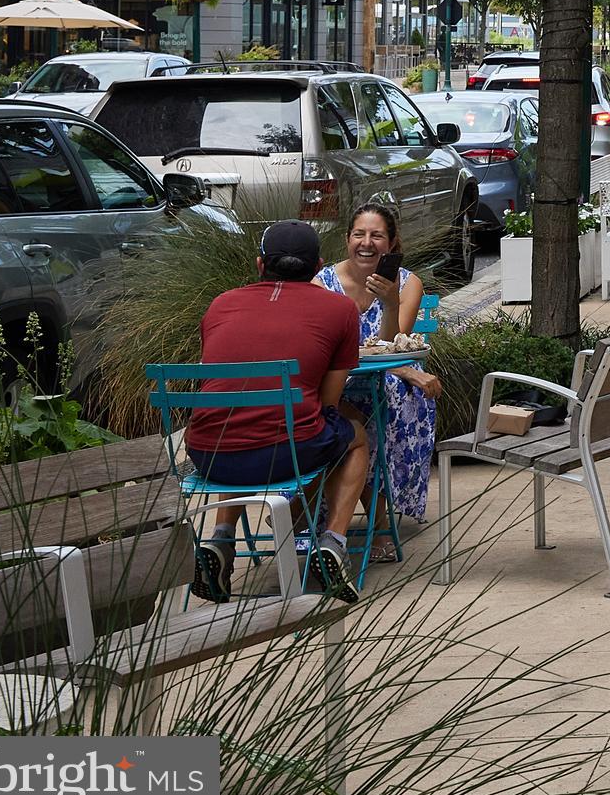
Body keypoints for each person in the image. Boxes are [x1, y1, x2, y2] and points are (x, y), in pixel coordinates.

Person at [185, 220, 369, 604]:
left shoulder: (221, 303)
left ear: (259, 264)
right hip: (286, 455)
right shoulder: (339, 309)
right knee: (356, 437)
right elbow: (329, 403)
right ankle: (332, 543)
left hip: (208, 455)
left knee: (238, 424)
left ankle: (221, 541)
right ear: (318, 267)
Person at [314, 204, 442, 561]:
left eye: (377, 236)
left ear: (392, 243)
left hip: (386, 380)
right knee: (357, 407)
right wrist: (408, 370)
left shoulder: (407, 283)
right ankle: (318, 517)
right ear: (347, 239)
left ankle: (377, 522)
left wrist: (389, 304)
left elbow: (392, 347)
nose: (366, 243)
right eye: (359, 234)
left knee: (386, 402)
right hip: (337, 385)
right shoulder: (321, 284)